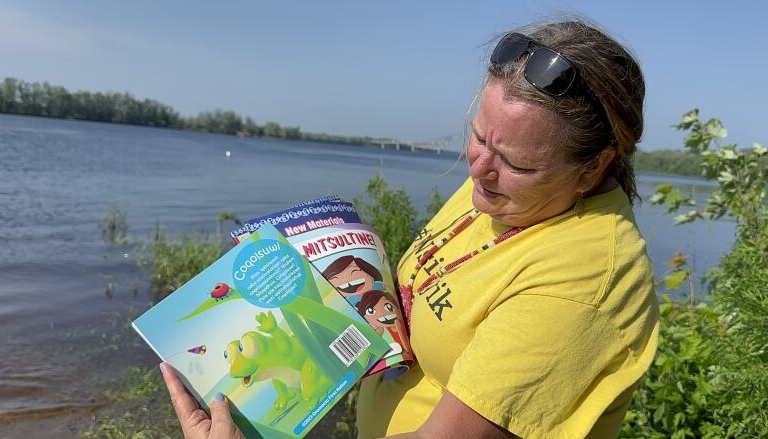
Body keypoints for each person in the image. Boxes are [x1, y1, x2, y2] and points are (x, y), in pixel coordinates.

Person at [161, 17, 659, 439]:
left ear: (594, 166)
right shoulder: (507, 194)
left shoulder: (585, 281)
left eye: (515, 163)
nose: (478, 169)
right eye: (479, 137)